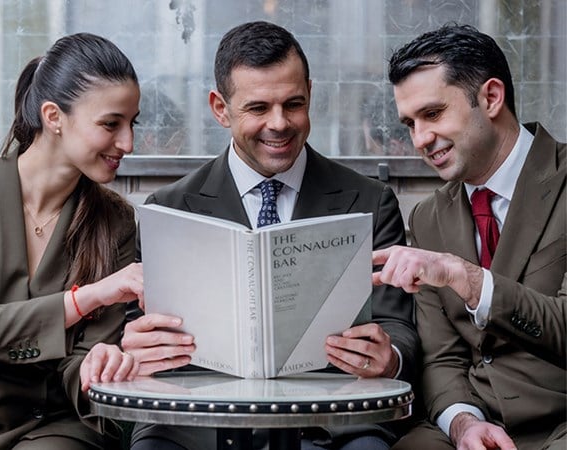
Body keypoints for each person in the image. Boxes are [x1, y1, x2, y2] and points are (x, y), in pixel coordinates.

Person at [123, 21, 419, 450]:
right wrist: (140, 348)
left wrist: (390, 357)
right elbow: (138, 330)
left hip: (333, 425)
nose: (279, 124)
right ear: (220, 109)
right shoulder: (167, 209)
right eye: (258, 108)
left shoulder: (370, 202)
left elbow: (398, 325)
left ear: (311, 95)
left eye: (293, 104)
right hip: (195, 426)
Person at [373, 24, 565, 450]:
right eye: (410, 123)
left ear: (491, 98)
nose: (420, 139)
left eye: (433, 114)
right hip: (474, 423)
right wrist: (463, 422)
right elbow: (441, 356)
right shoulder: (428, 219)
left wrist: (468, 278)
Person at [0, 33, 145, 449]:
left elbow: (85, 356)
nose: (128, 143)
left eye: (132, 124)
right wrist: (88, 297)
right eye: (110, 124)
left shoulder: (116, 221)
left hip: (53, 425)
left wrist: (95, 368)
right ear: (53, 116)